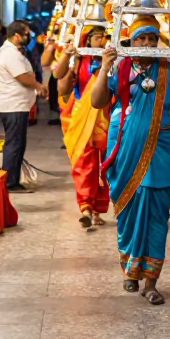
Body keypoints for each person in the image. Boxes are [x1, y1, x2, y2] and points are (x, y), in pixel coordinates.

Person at [91, 16, 170, 303]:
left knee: (157, 214)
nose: (148, 43)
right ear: (130, 41)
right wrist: (104, 68)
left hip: (160, 146)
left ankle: (151, 281)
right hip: (125, 145)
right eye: (141, 38)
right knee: (127, 209)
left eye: (153, 38)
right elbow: (97, 101)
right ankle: (129, 270)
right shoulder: (119, 67)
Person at [57, 27, 112, 230]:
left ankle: (97, 210)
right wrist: (68, 60)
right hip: (81, 119)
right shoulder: (78, 60)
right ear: (87, 40)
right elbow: (62, 88)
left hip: (105, 120)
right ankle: (85, 208)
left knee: (104, 166)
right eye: (98, 37)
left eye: (105, 37)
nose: (102, 40)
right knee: (83, 166)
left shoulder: (111, 60)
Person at [0, 20, 46, 191]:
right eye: (25, 34)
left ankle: (12, 179)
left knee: (17, 144)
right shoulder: (9, 54)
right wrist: (38, 86)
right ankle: (10, 182)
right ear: (17, 36)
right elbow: (22, 76)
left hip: (16, 105)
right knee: (14, 145)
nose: (28, 37)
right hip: (13, 106)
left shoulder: (11, 51)